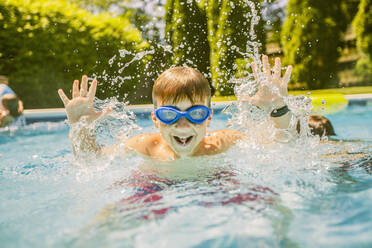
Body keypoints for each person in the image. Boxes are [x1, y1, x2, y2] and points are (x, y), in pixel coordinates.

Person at [58, 55, 293, 160]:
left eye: (196, 113)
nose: (183, 124)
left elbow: (284, 148)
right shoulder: (145, 147)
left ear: (209, 118)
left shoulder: (224, 143)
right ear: (155, 119)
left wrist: (278, 109)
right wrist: (80, 128)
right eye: (169, 114)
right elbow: (92, 161)